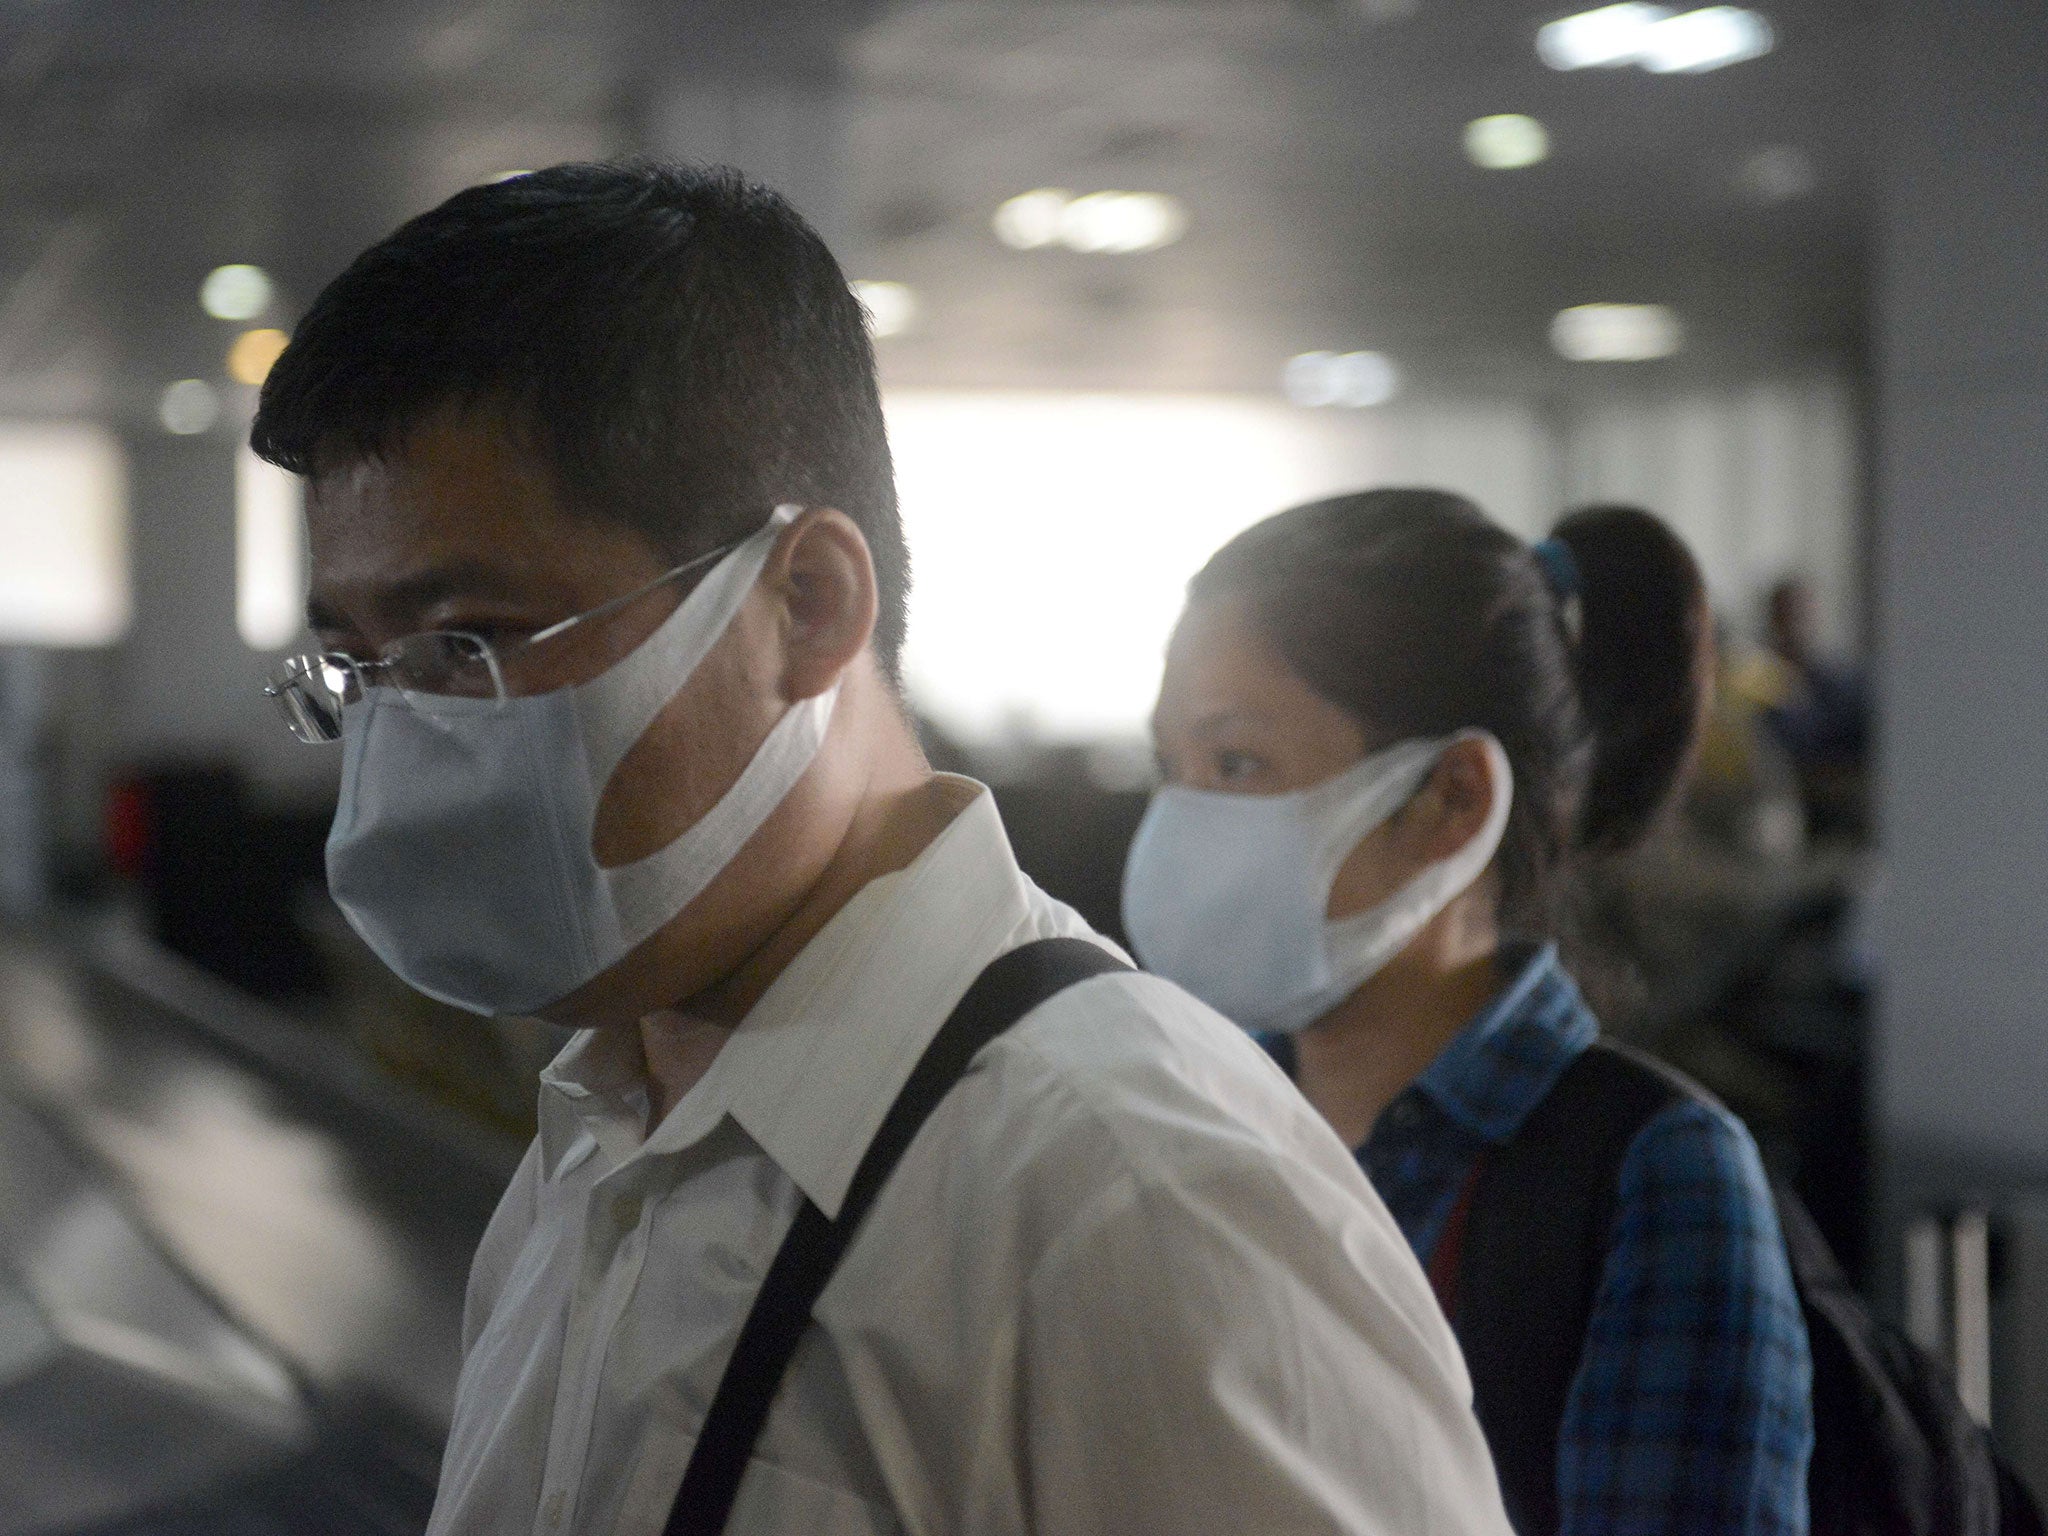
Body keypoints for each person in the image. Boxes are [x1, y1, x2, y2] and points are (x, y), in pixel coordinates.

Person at [247, 165, 1513, 1535]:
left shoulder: (1130, 1195)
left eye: (469, 642)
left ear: (807, 605)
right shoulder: (598, 1144)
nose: (405, 748)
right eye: (357, 664)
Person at [1124, 489, 1814, 1535]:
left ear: (1450, 800)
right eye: (1167, 767)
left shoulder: (1648, 1180)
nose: (1179, 822)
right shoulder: (1195, 1119)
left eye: (1236, 764)